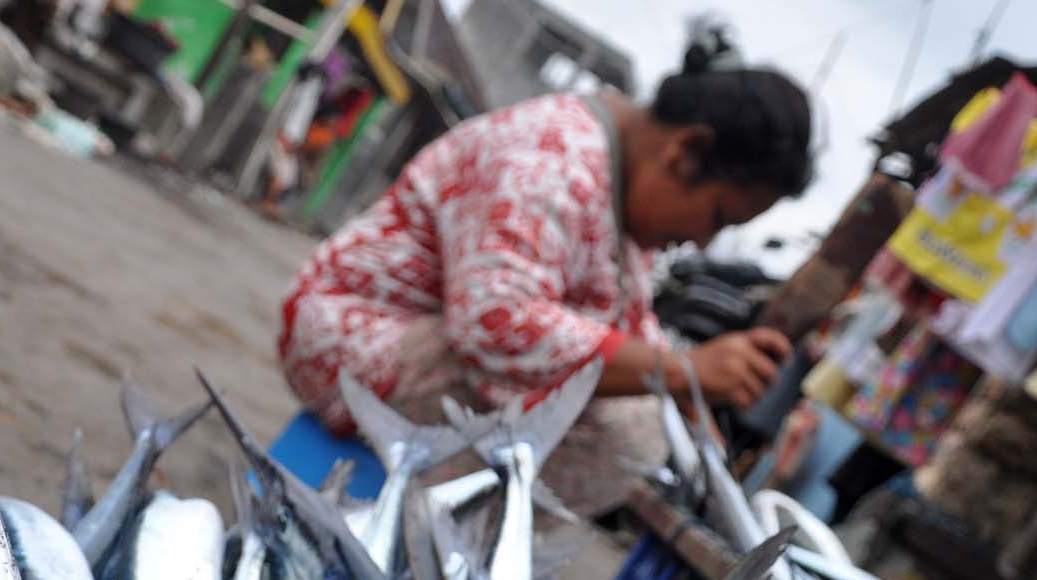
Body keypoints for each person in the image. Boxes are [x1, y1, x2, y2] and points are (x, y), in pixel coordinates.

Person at [277, 35, 815, 514]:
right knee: (627, 431)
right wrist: (680, 372)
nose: (703, 241)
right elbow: (493, 321)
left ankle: (446, 540)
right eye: (717, 216)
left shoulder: (619, 200)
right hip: (350, 345)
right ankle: (429, 538)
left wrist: (687, 403)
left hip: (412, 355)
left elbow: (627, 322)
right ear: (685, 153)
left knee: (642, 424)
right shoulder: (548, 157)